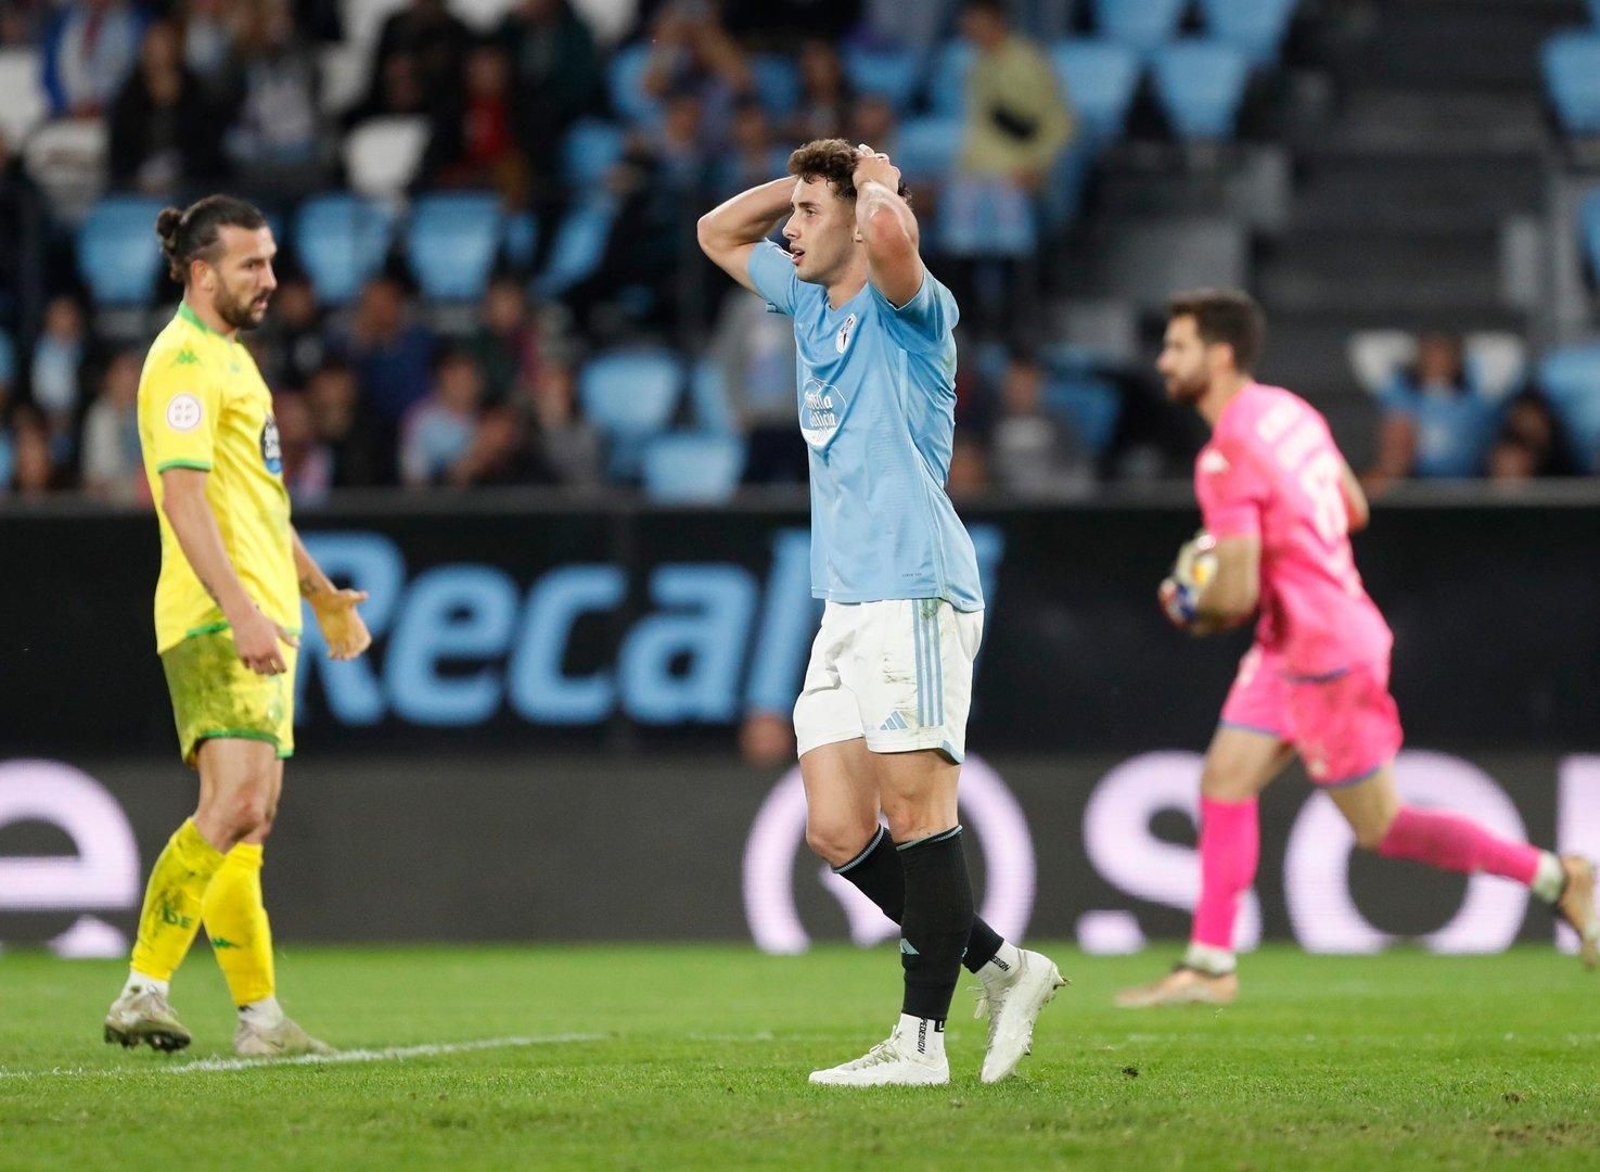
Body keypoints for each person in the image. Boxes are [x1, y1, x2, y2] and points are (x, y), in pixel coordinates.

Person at [697, 139, 1065, 1087]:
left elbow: (895, 237)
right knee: (835, 829)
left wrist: (870, 187)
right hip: (847, 601)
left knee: (915, 814)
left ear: (858, 224)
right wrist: (806, 181)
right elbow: (716, 231)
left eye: (807, 216)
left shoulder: (912, 311)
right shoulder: (805, 301)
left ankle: (920, 1044)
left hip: (915, 587)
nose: (789, 231)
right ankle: (1004, 967)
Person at [1115, 289, 1598, 1008]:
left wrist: (1188, 605)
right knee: (1223, 782)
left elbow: (1234, 596)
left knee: (1382, 826)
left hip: (1323, 649)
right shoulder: (1289, 411)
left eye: (1178, 347)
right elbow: (1353, 506)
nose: (1163, 361)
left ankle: (1557, 877)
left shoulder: (1225, 455)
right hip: (1295, 638)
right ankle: (1211, 966)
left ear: (1219, 355)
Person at [103, 195, 373, 1056]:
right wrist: (243, 610)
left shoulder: (234, 363)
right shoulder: (183, 361)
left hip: (260, 614)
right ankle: (142, 988)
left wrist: (318, 594)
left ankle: (260, 1019)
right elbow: (182, 500)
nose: (271, 279)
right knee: (237, 804)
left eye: (272, 260)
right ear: (200, 271)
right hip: (217, 617)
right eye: (252, 264)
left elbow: (261, 506)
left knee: (251, 821)